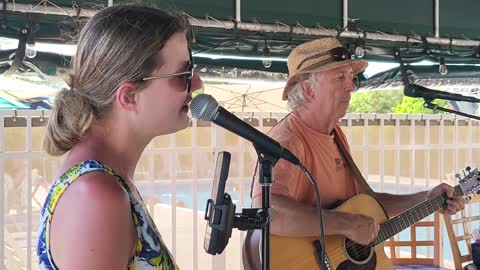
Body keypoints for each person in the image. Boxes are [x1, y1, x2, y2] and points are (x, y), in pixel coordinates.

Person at [250, 37, 465, 247]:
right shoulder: (288, 140)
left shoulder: (335, 135)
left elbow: (365, 204)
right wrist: (345, 224)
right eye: (340, 77)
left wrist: (425, 199)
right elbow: (267, 209)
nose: (351, 86)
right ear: (308, 89)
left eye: (351, 76)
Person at [37, 5, 202, 270]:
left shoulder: (107, 182)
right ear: (129, 97)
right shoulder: (96, 195)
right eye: (184, 74)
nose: (197, 83)